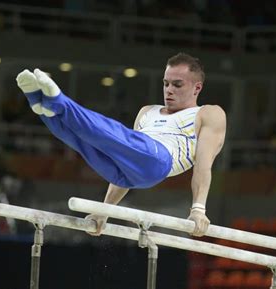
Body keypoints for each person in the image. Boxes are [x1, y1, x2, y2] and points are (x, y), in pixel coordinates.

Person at [16, 53, 226, 237]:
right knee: (84, 141)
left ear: (197, 87)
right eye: (166, 83)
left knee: (108, 133)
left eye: (177, 84)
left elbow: (203, 166)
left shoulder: (209, 114)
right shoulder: (147, 111)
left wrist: (198, 209)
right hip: (127, 173)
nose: (169, 90)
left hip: (160, 161)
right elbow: (124, 151)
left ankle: (59, 101)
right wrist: (106, 211)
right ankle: (44, 108)